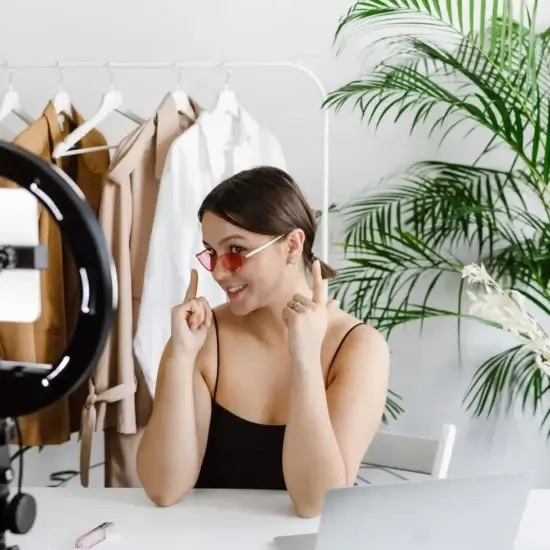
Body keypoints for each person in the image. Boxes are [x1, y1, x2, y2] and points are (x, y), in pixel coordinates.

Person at [136, 166, 390, 518]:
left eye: (236, 251)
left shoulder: (358, 348)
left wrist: (304, 360)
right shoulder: (203, 338)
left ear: (292, 244)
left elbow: (315, 503)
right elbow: (163, 489)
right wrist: (180, 358)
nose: (219, 272)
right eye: (211, 253)